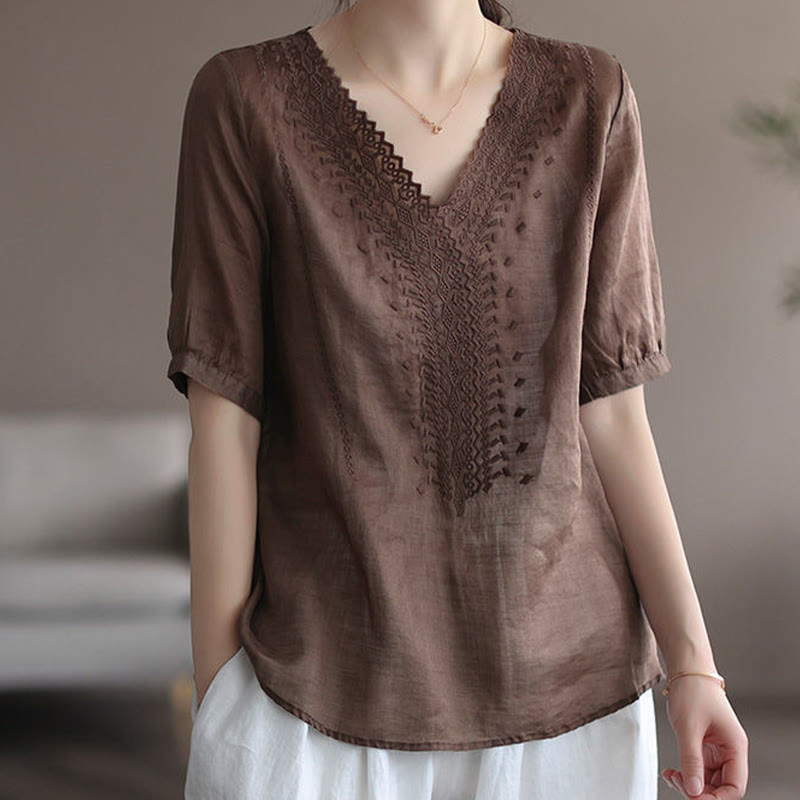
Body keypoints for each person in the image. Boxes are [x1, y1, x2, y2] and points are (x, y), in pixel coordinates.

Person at [165, 1, 750, 798]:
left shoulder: (591, 95)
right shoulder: (244, 98)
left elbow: (614, 414)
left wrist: (694, 667)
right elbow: (224, 415)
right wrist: (222, 704)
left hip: (570, 703)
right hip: (311, 690)